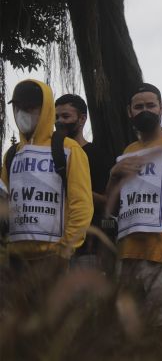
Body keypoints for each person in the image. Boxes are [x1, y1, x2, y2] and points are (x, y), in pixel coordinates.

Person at [106, 83, 162, 327]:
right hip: (127, 256)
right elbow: (112, 203)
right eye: (139, 106)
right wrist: (113, 174)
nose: (145, 110)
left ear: (161, 108)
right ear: (130, 112)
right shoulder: (129, 151)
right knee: (130, 334)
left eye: (150, 105)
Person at [2, 80, 92, 276]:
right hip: (17, 262)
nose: (22, 114)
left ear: (45, 110)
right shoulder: (11, 155)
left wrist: (64, 251)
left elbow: (82, 205)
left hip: (53, 260)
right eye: (18, 108)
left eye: (30, 108)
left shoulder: (68, 149)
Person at [55, 94, 112, 270]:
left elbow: (107, 203)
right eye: (56, 117)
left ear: (82, 119)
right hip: (55, 247)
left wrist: (78, 189)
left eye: (66, 116)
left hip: (88, 250)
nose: (59, 122)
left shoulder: (97, 155)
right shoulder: (51, 153)